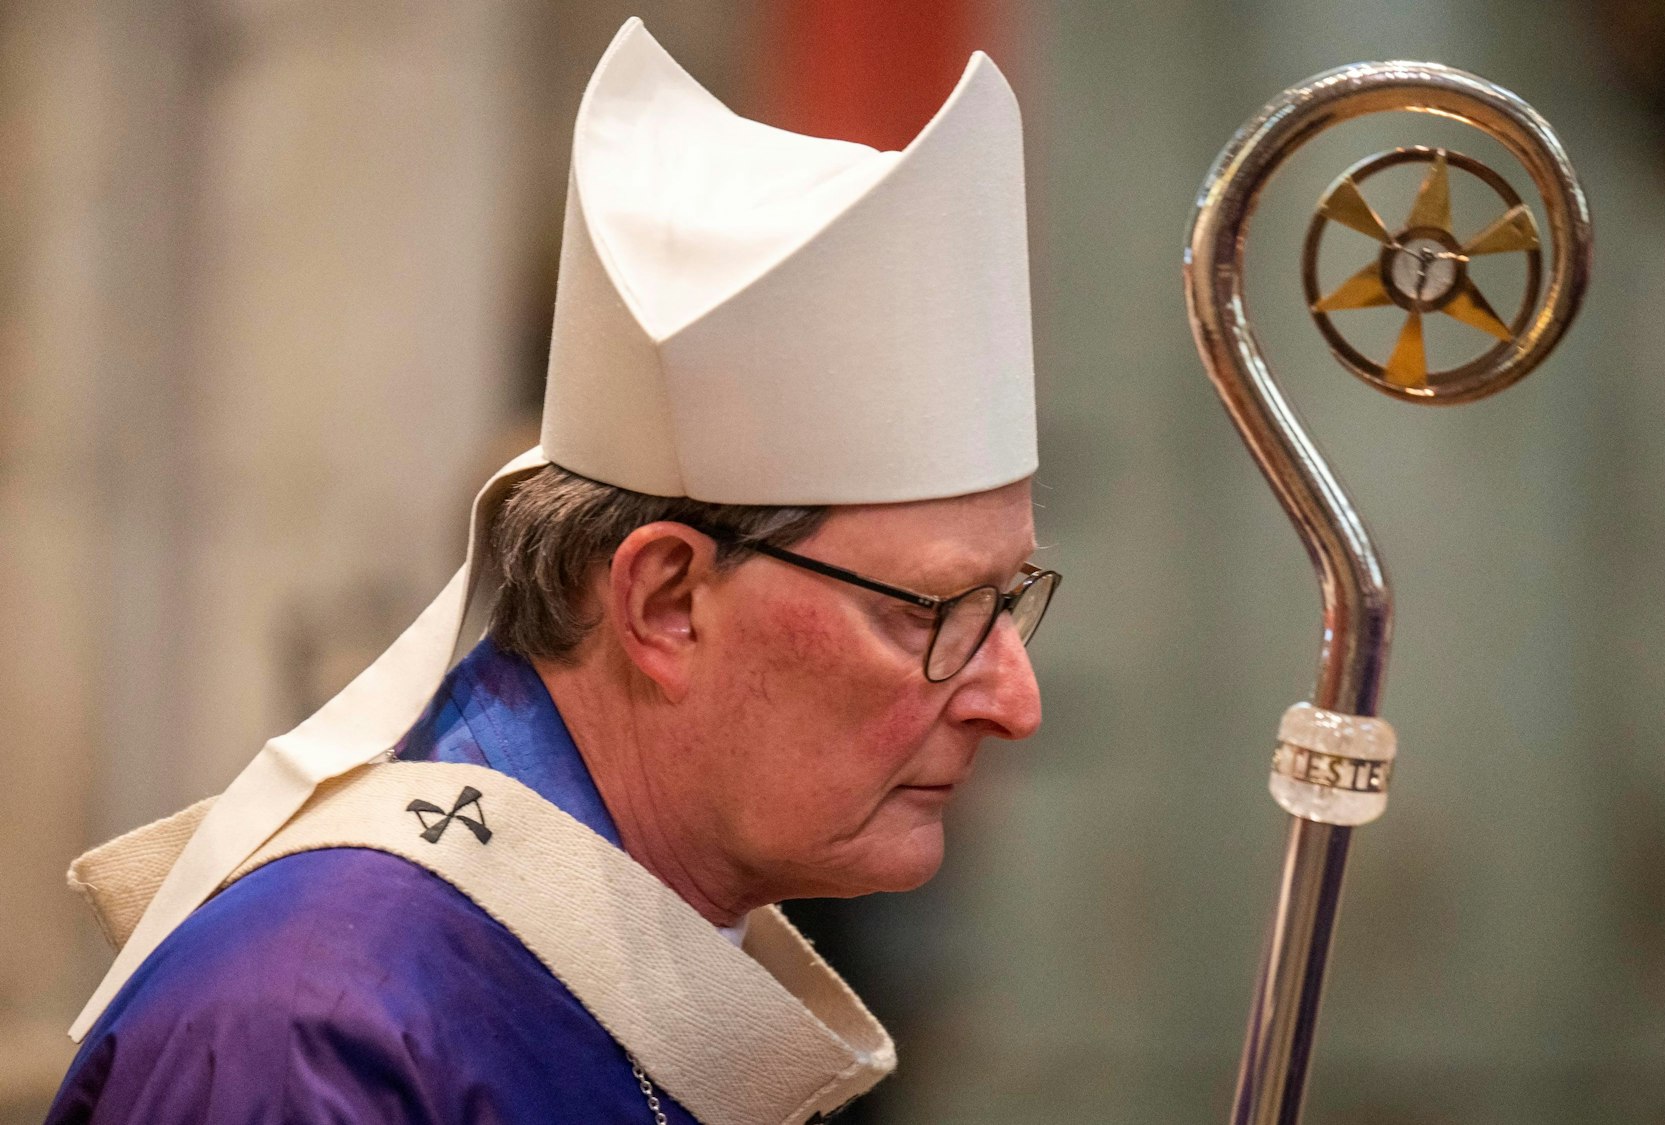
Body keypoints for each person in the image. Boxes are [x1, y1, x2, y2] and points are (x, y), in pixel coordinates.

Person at [48, 17, 1054, 1124]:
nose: (1016, 701)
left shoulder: (654, 961)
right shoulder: (320, 1030)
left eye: (1009, 601)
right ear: (666, 602)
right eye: (935, 612)